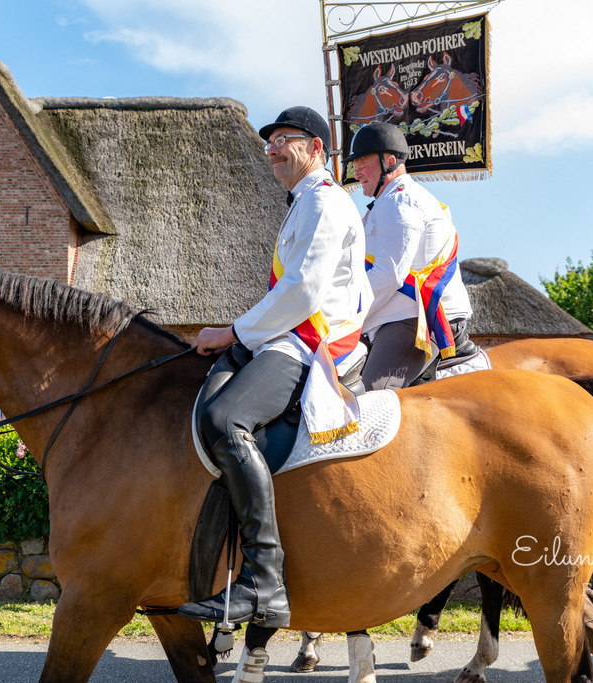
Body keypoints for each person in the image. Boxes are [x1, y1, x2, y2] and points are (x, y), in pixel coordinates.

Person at [177, 106, 371, 629]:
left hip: (311, 343)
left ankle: (263, 580)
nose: (273, 148)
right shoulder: (304, 202)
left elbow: (303, 292)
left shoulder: (324, 201)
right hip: (286, 336)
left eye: (286, 138)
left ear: (317, 148)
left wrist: (232, 333)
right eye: (270, 141)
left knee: (224, 420)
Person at [346, 121, 473, 391]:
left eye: (363, 164)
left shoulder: (400, 201)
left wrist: (347, 314)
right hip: (394, 314)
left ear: (390, 162)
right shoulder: (386, 201)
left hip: (412, 319)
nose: (356, 173)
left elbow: (389, 275)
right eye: (355, 165)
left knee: (365, 403)